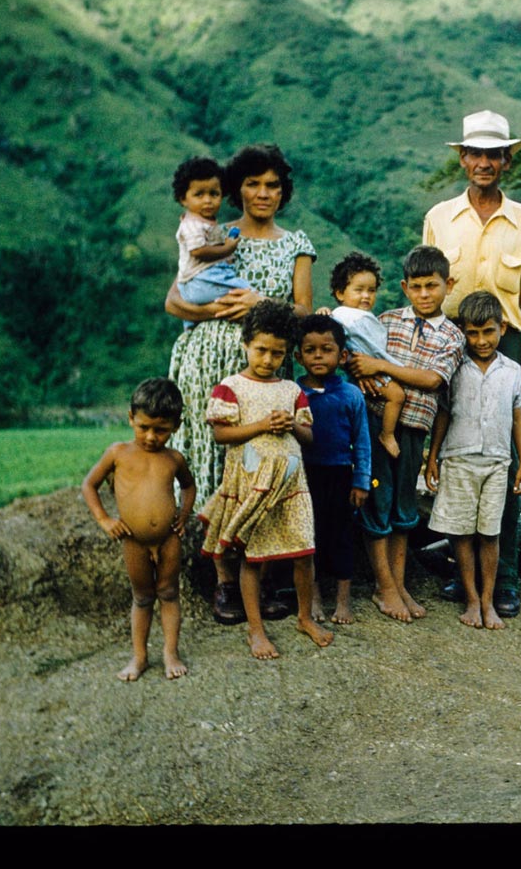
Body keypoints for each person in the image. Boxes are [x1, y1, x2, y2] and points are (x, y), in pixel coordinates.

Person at [163, 143, 316, 625]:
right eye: (252, 183)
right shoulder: (215, 235)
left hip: (266, 370)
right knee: (215, 459)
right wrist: (213, 310)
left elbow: (306, 311)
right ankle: (225, 582)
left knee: (264, 465)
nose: (262, 193)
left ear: (284, 191)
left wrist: (259, 302)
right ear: (237, 189)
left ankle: (263, 574)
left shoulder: (296, 244)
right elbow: (173, 300)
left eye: (272, 185)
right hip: (207, 360)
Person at [423, 110, 521, 617]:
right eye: (475, 153)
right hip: (451, 341)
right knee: (455, 456)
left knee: (503, 461)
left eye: (493, 154)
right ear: (462, 158)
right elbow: (426, 288)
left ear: (506, 160)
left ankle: (507, 581)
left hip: (508, 343)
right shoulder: (439, 216)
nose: (483, 163)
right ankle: (461, 576)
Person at [197, 300, 333, 659]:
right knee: (253, 558)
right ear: (245, 344)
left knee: (304, 552)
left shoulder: (290, 390)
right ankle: (255, 630)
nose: (268, 360)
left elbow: (309, 437)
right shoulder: (231, 387)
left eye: (277, 353)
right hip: (252, 486)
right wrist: (261, 425)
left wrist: (293, 426)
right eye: (261, 350)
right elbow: (221, 435)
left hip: (291, 488)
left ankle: (305, 616)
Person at [345, 245, 465, 624]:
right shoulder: (384, 320)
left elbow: (432, 380)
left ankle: (398, 584)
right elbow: (351, 352)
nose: (425, 294)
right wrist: (362, 369)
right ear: (404, 287)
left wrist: (379, 365)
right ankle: (385, 586)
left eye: (432, 286)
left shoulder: (452, 336)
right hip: (376, 426)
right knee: (378, 502)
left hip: (413, 431)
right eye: (416, 287)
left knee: (402, 508)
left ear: (449, 284)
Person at [424, 291, 521, 630]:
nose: (481, 341)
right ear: (462, 330)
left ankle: (488, 601)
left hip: (498, 462)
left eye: (488, 332)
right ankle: (471, 599)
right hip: (458, 458)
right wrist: (433, 457)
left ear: (503, 328)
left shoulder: (512, 371)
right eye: (473, 333)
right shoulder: (454, 369)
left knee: (490, 533)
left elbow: (517, 420)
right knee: (462, 532)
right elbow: (442, 414)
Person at [81, 377, 196, 681]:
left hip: (169, 538)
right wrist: (105, 519)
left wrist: (184, 514)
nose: (150, 437)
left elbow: (189, 486)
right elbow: (89, 485)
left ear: (176, 425)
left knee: (169, 593)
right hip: (133, 540)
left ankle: (170, 653)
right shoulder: (118, 453)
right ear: (131, 418)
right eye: (143, 427)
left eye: (161, 430)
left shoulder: (174, 458)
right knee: (142, 597)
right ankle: (140, 656)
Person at [295, 313, 371, 625]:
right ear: (298, 356)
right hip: (303, 477)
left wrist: (361, 481)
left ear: (341, 356)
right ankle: (312, 597)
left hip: (340, 475)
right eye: (310, 350)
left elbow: (362, 441)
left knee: (341, 537)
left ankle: (343, 601)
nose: (318, 356)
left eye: (326, 349)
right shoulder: (293, 393)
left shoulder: (351, 394)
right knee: (307, 537)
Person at [320, 251, 406, 460]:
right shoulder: (342, 316)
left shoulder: (364, 317)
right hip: (362, 372)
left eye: (371, 290)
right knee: (397, 395)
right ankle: (387, 435)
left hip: (371, 369)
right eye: (359, 290)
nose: (366, 296)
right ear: (340, 293)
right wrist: (322, 312)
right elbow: (330, 334)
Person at [170, 156, 253, 313]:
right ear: (183, 199)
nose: (208, 200)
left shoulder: (204, 222)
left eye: (214, 194)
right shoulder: (192, 224)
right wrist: (227, 248)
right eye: (199, 195)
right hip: (200, 280)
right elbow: (199, 251)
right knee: (246, 292)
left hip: (200, 280)